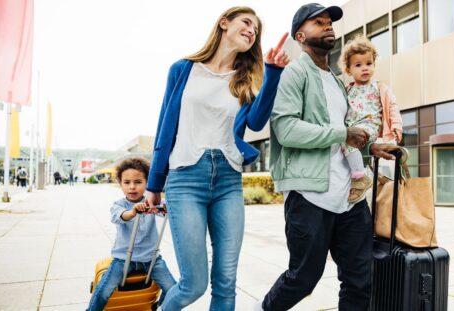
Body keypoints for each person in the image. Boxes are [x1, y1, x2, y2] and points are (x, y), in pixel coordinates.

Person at [144, 6, 289, 310]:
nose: (252, 30)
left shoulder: (246, 79)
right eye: (246, 23)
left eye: (256, 30)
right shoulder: (183, 69)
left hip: (227, 179)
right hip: (185, 179)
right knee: (193, 284)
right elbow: (164, 128)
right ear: (224, 23)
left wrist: (273, 72)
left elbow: (258, 122)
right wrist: (154, 182)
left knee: (225, 283)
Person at [257, 4, 398, 310]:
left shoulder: (336, 81)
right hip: (310, 195)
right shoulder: (295, 73)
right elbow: (286, 129)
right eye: (318, 22)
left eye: (329, 22)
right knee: (303, 278)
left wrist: (369, 146)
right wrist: (343, 134)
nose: (328, 26)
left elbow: (341, 137)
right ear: (300, 35)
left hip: (349, 197)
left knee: (360, 278)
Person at [86, 157, 176, 311]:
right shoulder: (119, 205)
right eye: (127, 182)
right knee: (103, 291)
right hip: (123, 259)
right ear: (120, 184)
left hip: (151, 259)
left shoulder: (151, 202)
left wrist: (165, 207)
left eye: (138, 182)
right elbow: (120, 216)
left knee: (173, 289)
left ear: (147, 183)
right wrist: (133, 211)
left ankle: (158, 306)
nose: (132, 187)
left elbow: (166, 210)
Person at [340, 35, 403, 203]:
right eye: (358, 65)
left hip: (369, 126)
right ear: (348, 70)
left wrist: (396, 125)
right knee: (343, 143)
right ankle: (358, 174)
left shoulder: (379, 87)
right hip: (352, 128)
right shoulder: (347, 90)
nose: (364, 68)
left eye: (369, 63)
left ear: (374, 64)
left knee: (348, 142)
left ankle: (359, 177)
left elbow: (392, 106)